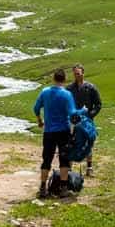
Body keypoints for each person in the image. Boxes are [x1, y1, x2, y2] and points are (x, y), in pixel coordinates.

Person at [33, 68, 88, 198]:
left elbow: (36, 108)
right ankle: (63, 188)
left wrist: (40, 120)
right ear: (64, 80)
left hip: (49, 132)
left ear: (54, 78)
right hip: (63, 131)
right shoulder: (66, 94)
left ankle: (42, 188)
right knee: (64, 160)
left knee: (46, 159)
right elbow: (72, 113)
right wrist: (83, 110)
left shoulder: (45, 92)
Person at [67, 63, 102, 177]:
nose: (76, 76)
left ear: (83, 73)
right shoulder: (69, 89)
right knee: (71, 142)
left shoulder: (91, 88)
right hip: (73, 120)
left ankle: (89, 167)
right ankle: (69, 168)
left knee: (88, 142)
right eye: (75, 74)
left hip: (87, 120)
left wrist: (91, 115)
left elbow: (98, 104)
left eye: (78, 73)